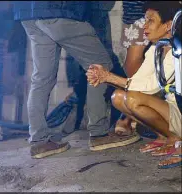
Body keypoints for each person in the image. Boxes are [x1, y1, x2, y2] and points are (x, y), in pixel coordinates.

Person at [12, 1, 140, 159]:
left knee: (42, 77)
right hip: (60, 10)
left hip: (28, 12)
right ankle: (99, 133)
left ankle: (39, 141)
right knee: (100, 66)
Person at [86, 1, 181, 168]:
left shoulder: (178, 49)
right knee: (118, 97)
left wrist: (108, 77)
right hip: (173, 110)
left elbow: (151, 85)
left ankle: (176, 141)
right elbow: (138, 81)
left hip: (179, 112)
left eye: (151, 20)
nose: (144, 25)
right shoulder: (157, 47)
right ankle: (164, 136)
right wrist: (105, 77)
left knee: (133, 99)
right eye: (145, 20)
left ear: (168, 25)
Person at [114, 1, 150, 136]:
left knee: (136, 64)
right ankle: (133, 115)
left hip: (154, 12)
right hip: (134, 15)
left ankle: (131, 116)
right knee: (134, 67)